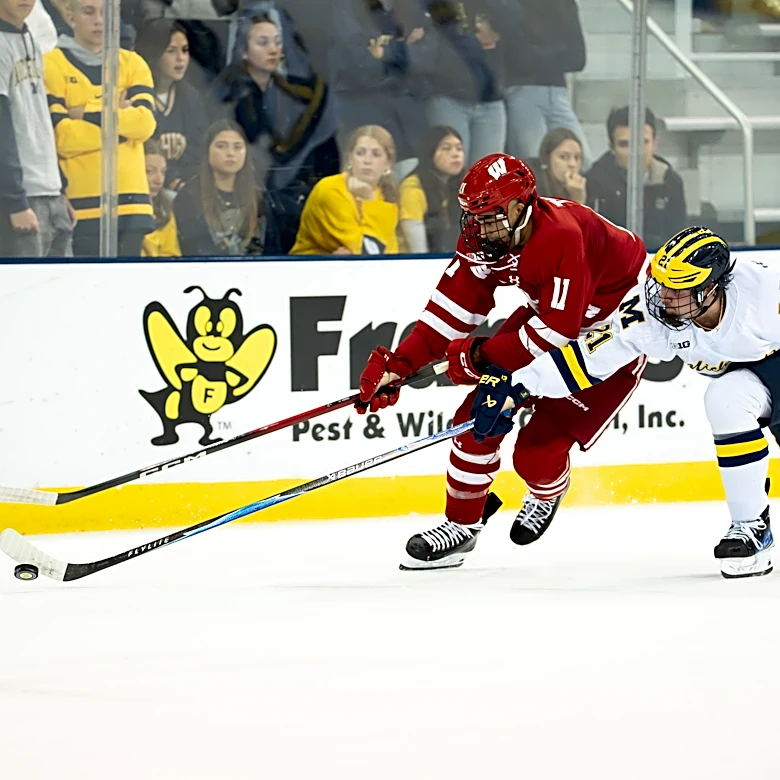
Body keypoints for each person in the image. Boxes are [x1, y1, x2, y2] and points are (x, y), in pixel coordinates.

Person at [356, 153, 648, 570]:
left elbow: (557, 334)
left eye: (488, 215)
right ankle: (461, 527)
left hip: (611, 339)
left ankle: (548, 491)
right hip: (551, 315)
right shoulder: (488, 239)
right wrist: (399, 364)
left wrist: (479, 357)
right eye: (471, 216)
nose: (477, 227)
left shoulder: (559, 236)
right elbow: (447, 316)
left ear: (520, 206)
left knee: (535, 456)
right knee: (475, 419)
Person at [472, 227, 777, 579]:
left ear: (711, 288)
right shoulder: (651, 314)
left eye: (676, 288)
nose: (662, 295)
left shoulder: (766, 292)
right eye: (660, 282)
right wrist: (518, 386)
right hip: (746, 378)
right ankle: (751, 527)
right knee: (724, 399)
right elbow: (588, 359)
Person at [214, 8, 340, 252]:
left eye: (276, 42)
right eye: (263, 43)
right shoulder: (231, 93)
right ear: (243, 50)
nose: (273, 49)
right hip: (247, 193)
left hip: (283, 191)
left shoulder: (289, 92)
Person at [44, 0, 156, 257]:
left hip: (133, 207)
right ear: (71, 17)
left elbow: (144, 124)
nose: (99, 20)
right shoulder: (51, 64)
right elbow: (63, 138)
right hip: (79, 208)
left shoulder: (133, 63)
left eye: (107, 13)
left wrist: (82, 112)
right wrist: (118, 119)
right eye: (89, 12)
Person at [0, 0, 75, 259]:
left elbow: (39, 118)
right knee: (23, 294)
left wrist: (59, 186)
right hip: (20, 196)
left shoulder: (30, 37)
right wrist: (14, 200)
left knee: (62, 292)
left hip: (49, 191)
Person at [586, 106, 687, 250]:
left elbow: (680, 240)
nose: (635, 152)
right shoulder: (593, 182)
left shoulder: (670, 181)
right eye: (625, 144)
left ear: (655, 144)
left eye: (643, 142)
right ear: (612, 148)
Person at [291, 124, 399, 255]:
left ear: (388, 163)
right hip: (310, 271)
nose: (367, 160)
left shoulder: (386, 198)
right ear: (350, 158)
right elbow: (369, 251)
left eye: (376, 154)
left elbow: (390, 254)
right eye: (360, 153)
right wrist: (369, 201)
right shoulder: (331, 189)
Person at [174, 119, 278, 255]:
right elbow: (192, 249)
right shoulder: (189, 196)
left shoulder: (259, 197)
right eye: (221, 146)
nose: (230, 153)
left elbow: (274, 249)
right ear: (207, 151)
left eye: (237, 147)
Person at [135, 20, 208, 192]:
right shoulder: (134, 94)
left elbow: (202, 148)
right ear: (154, 53)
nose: (181, 58)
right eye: (171, 51)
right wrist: (156, 149)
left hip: (185, 185)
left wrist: (182, 151)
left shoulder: (191, 97)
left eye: (185, 50)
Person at [398, 125, 465, 253]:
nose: (455, 154)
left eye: (459, 148)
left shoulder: (465, 186)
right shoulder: (412, 189)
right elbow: (418, 251)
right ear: (430, 153)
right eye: (446, 148)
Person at [142, 139, 180, 257]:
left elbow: (171, 253)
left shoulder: (167, 207)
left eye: (163, 172)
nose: (159, 179)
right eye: (149, 171)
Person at [527, 127, 586, 204]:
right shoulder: (529, 185)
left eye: (577, 157)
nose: (573, 164)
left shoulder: (580, 186)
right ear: (547, 159)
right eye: (563, 157)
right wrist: (578, 201)